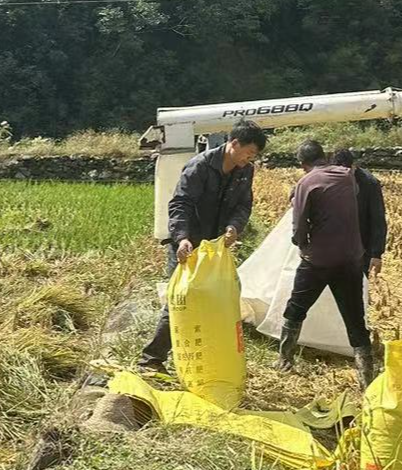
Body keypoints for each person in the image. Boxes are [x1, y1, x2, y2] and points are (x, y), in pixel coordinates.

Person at [137, 120, 267, 370]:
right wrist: (182, 237)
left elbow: (243, 205)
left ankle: (207, 353)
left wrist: (234, 227)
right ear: (234, 143)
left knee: (221, 296)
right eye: (248, 152)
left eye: (254, 156)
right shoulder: (200, 167)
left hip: (215, 246)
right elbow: (180, 204)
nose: (250, 159)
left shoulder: (245, 171)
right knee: (182, 298)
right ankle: (151, 359)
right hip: (188, 243)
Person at [278, 139, 375, 388]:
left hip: (318, 260)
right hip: (351, 259)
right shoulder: (347, 176)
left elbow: (299, 224)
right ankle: (367, 380)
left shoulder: (305, 182)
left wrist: (302, 245)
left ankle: (284, 361)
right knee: (355, 319)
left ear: (302, 164)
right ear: (325, 156)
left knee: (296, 308)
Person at [332, 146, 388, 281]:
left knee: (357, 285)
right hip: (334, 244)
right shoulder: (331, 178)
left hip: (361, 245)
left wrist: (376, 253)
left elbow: (378, 218)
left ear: (353, 166)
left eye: (347, 171)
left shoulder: (369, 183)